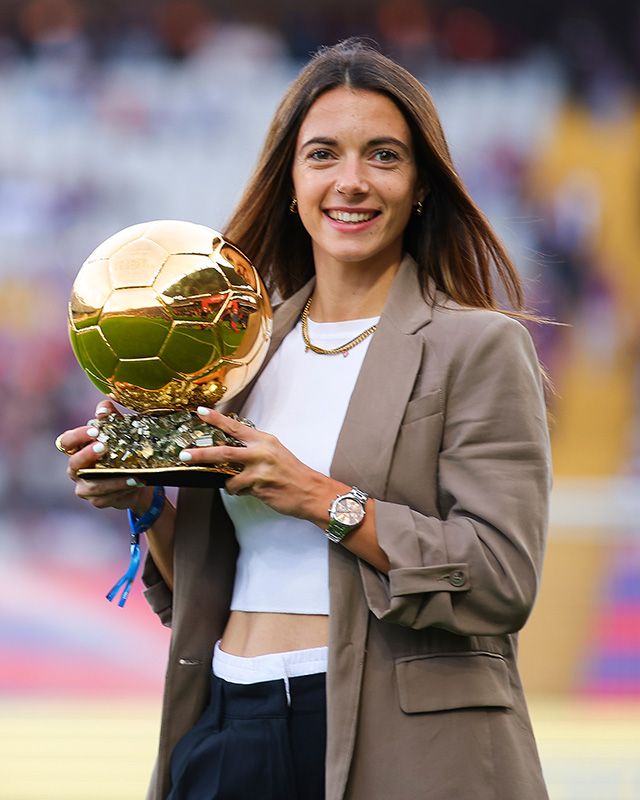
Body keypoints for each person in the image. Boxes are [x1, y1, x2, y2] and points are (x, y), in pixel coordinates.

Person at [57, 39, 551, 800]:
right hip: (228, 719)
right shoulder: (234, 359)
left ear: (420, 184)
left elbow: (499, 579)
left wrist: (321, 497)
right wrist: (145, 500)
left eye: (383, 156)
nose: (351, 181)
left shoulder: (479, 347)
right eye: (323, 154)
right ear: (291, 180)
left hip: (396, 737)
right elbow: (198, 588)